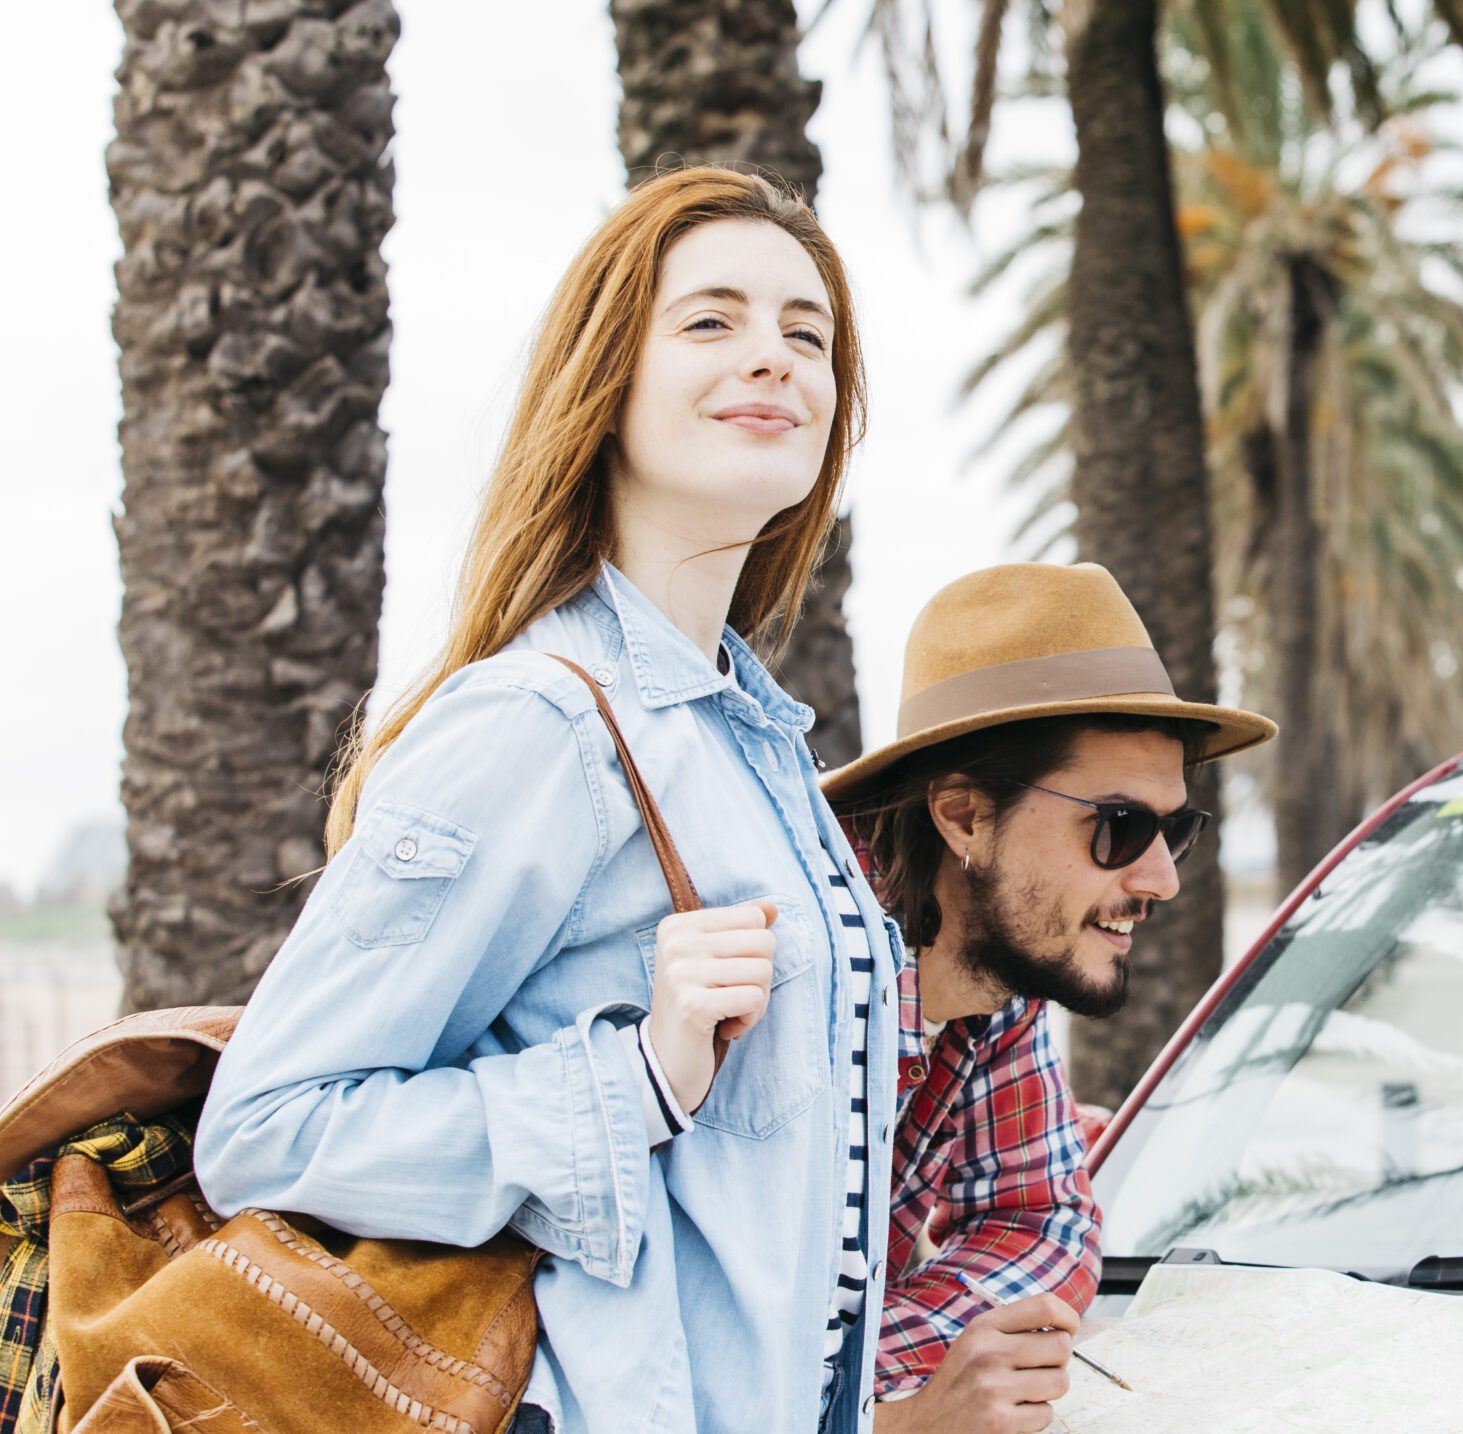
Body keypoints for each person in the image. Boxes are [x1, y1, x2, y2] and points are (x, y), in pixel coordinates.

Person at [192, 168, 992, 1434]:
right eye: (711, 321)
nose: (773, 359)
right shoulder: (541, 723)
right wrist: (637, 1078)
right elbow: (271, 1129)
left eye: (808, 334)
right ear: (608, 378)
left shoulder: (750, 739)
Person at [820, 563, 1275, 1427]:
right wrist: (883, 1415)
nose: (1162, 880)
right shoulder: (800, 983)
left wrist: (865, 1365)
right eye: (1119, 827)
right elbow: (692, 1353)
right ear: (963, 818)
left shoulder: (1003, 965)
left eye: (1175, 829)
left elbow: (1044, 1226)